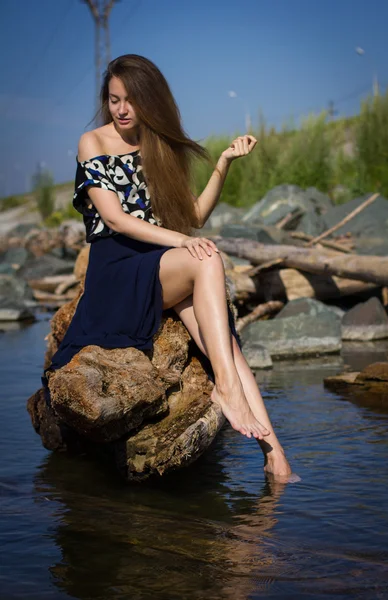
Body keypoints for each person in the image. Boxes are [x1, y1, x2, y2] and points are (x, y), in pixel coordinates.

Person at [46, 54, 293, 481]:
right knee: (207, 256)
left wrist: (223, 165)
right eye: (114, 99)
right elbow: (117, 219)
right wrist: (184, 242)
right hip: (117, 272)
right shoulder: (94, 142)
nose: (121, 109)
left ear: (150, 102)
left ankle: (276, 457)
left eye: (131, 100)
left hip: (158, 268)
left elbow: (192, 216)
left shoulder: (160, 148)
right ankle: (228, 391)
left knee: (229, 349)